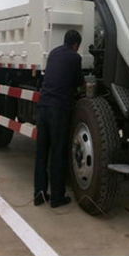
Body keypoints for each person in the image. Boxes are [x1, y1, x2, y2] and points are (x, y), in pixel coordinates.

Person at [34, 29, 84, 207]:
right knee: (57, 153)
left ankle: (39, 195)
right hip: (58, 110)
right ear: (76, 44)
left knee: (41, 153)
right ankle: (57, 197)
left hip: (43, 107)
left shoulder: (54, 53)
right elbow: (78, 81)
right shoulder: (75, 58)